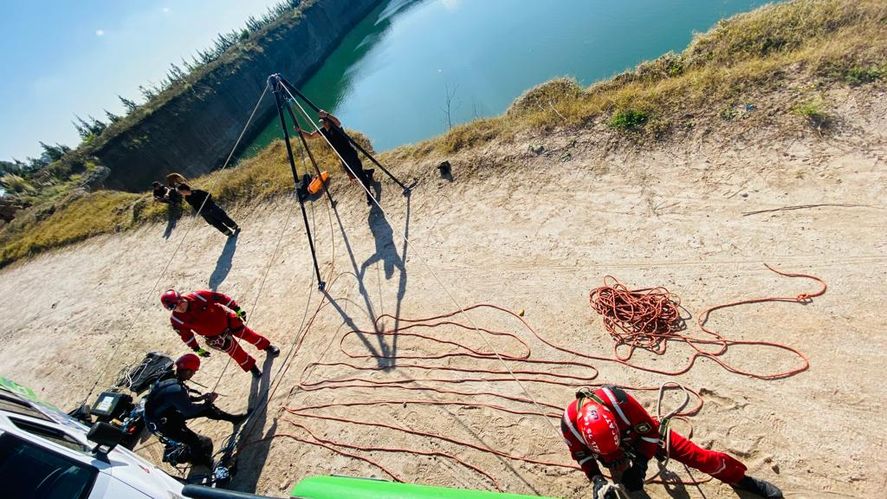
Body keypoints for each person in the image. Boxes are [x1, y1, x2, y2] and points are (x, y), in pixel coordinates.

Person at [561, 385, 783, 498]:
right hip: (608, 454)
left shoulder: (619, 401)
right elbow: (583, 456)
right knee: (615, 490)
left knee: (702, 458)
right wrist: (597, 479)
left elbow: (649, 433)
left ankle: (740, 480)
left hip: (639, 436)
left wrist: (639, 465)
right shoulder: (570, 427)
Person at [143, 353, 248, 467]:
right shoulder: (176, 389)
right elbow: (189, 410)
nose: (193, 374)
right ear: (188, 371)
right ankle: (208, 463)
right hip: (162, 424)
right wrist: (207, 403)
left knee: (207, 410)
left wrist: (200, 399)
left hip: (166, 412)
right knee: (194, 441)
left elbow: (178, 399)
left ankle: (234, 419)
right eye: (193, 372)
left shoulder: (170, 377)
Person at [161, 289, 280, 378]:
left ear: (181, 297)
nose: (180, 308)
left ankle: (267, 347)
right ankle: (252, 368)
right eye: (174, 307)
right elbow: (186, 335)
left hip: (228, 320)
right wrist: (196, 349)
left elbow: (220, 298)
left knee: (249, 335)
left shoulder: (198, 296)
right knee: (236, 353)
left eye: (180, 303)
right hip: (216, 337)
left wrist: (237, 308)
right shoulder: (176, 320)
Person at [298, 110, 375, 205]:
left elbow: (338, 122)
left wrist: (326, 114)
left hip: (350, 153)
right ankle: (368, 172)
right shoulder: (322, 131)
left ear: (328, 121)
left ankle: (369, 195)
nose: (323, 124)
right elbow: (310, 136)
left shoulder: (335, 126)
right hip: (342, 156)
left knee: (360, 175)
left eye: (324, 121)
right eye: (322, 122)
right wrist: (300, 131)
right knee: (353, 175)